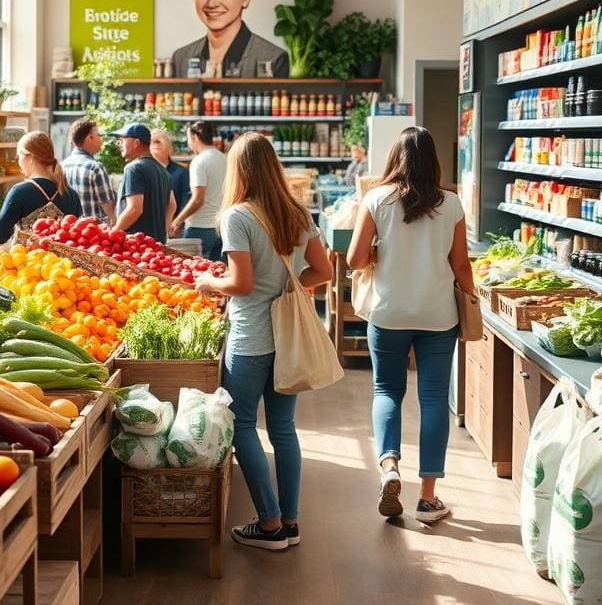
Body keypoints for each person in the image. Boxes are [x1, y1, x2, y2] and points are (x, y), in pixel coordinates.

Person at [194, 133, 332, 551]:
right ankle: (290, 521)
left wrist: (208, 281)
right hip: (287, 340)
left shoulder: (238, 216)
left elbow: (240, 282)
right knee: (284, 429)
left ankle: (269, 524)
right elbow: (322, 271)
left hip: (252, 339)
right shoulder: (296, 212)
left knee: (239, 427)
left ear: (238, 171)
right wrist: (288, 290)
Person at [346, 126, 475, 525]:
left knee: (387, 389)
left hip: (388, 314)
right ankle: (428, 498)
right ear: (432, 161)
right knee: (434, 398)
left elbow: (353, 259)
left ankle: (389, 469)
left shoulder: (376, 199)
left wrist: (379, 254)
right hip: (438, 317)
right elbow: (460, 264)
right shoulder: (451, 204)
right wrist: (470, 296)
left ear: (395, 159)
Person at [0, 132, 83, 245]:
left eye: (19, 157)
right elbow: (77, 237)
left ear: (29, 157)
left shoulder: (19, 192)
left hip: (29, 261)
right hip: (64, 262)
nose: (18, 162)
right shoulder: (71, 194)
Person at [170, 121, 227, 261]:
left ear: (195, 137)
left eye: (188, 138)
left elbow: (198, 199)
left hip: (199, 227)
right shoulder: (224, 158)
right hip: (221, 227)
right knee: (217, 274)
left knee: (190, 272)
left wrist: (177, 222)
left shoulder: (199, 161)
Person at [110, 123, 175, 243]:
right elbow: (172, 205)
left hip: (135, 246)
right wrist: (161, 235)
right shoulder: (163, 171)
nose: (118, 143)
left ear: (136, 143)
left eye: (122, 139)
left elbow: (135, 209)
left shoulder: (134, 168)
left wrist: (113, 233)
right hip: (155, 246)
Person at [61, 119, 117, 223]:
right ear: (89, 138)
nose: (101, 139)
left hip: (73, 230)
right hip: (95, 231)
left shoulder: (63, 166)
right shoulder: (95, 167)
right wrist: (114, 221)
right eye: (99, 135)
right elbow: (108, 205)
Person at [149, 129, 190, 222]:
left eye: (159, 142)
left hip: (173, 226)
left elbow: (185, 200)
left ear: (170, 148)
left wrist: (177, 224)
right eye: (153, 142)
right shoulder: (144, 172)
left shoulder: (181, 172)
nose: (156, 145)